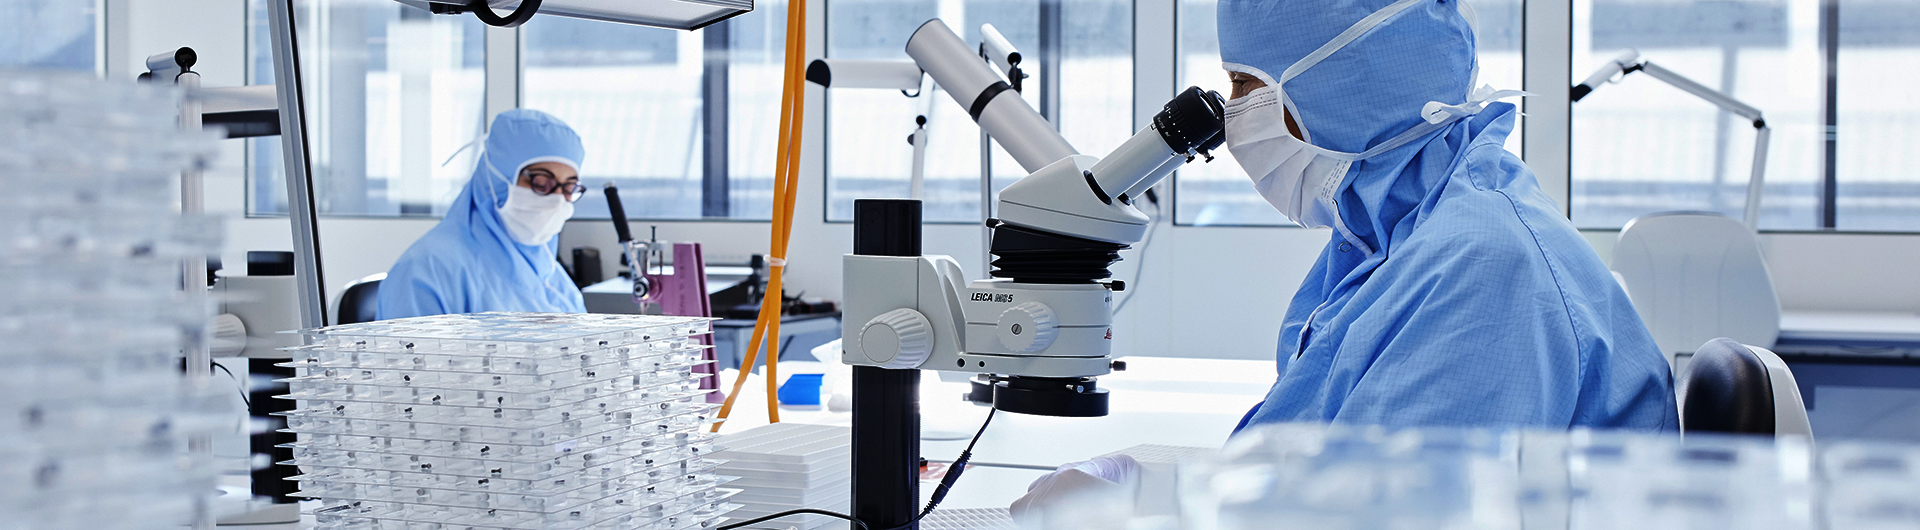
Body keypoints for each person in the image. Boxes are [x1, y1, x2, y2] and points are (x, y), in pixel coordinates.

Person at [1218, 0, 1676, 431]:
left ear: (1338, 85)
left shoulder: (1479, 262)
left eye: (1243, 85)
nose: (1230, 113)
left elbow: (1387, 505)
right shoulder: (1385, 230)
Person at [377, 109, 588, 320]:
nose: (558, 200)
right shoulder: (428, 270)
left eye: (569, 188)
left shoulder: (550, 274)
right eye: (541, 183)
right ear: (496, 180)